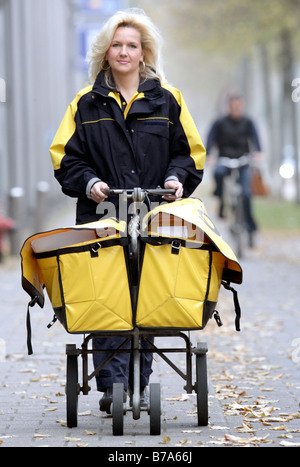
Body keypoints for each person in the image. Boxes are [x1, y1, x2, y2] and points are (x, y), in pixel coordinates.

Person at [49, 8, 206, 412]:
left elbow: (189, 154)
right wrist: (89, 183)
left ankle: (140, 381)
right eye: (116, 45)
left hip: (155, 213)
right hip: (101, 216)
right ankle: (112, 384)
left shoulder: (169, 100)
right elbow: (65, 158)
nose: (123, 51)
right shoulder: (84, 105)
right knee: (107, 296)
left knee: (148, 295)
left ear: (143, 53)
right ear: (105, 53)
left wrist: (175, 180)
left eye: (131, 46)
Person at [206, 95, 262, 246]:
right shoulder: (219, 122)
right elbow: (210, 138)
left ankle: (250, 229)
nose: (236, 109)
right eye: (233, 106)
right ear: (229, 107)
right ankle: (220, 198)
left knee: (246, 194)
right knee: (218, 173)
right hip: (225, 160)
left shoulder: (248, 122)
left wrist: (258, 152)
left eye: (239, 106)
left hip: (243, 161)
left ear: (242, 106)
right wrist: (209, 154)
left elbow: (256, 138)